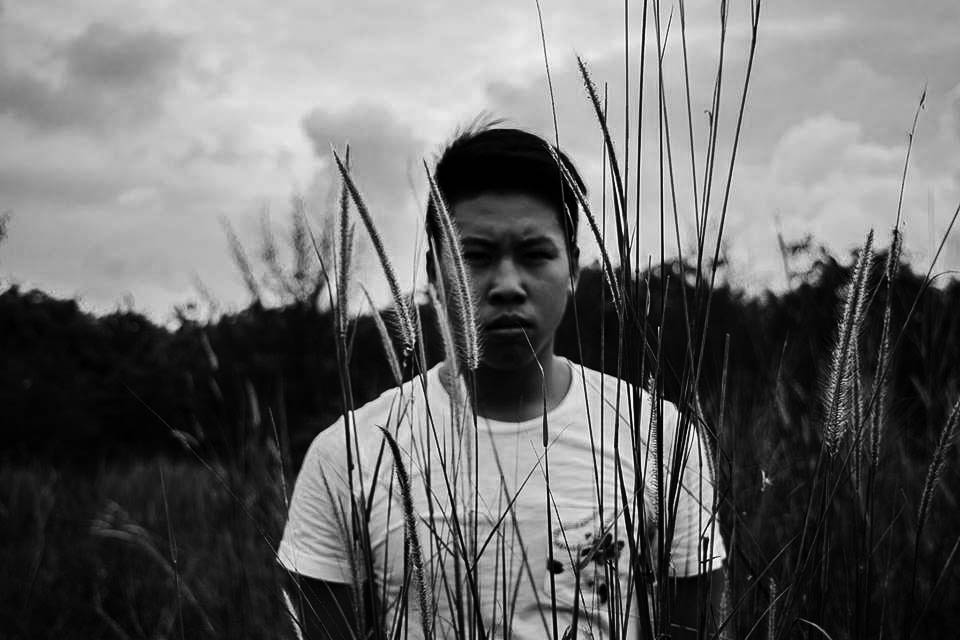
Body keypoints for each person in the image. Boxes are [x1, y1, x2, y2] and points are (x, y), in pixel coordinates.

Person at [278, 126, 725, 640]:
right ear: (433, 271)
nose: (508, 285)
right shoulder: (349, 455)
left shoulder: (661, 437)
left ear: (574, 268)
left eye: (535, 255)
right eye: (477, 257)